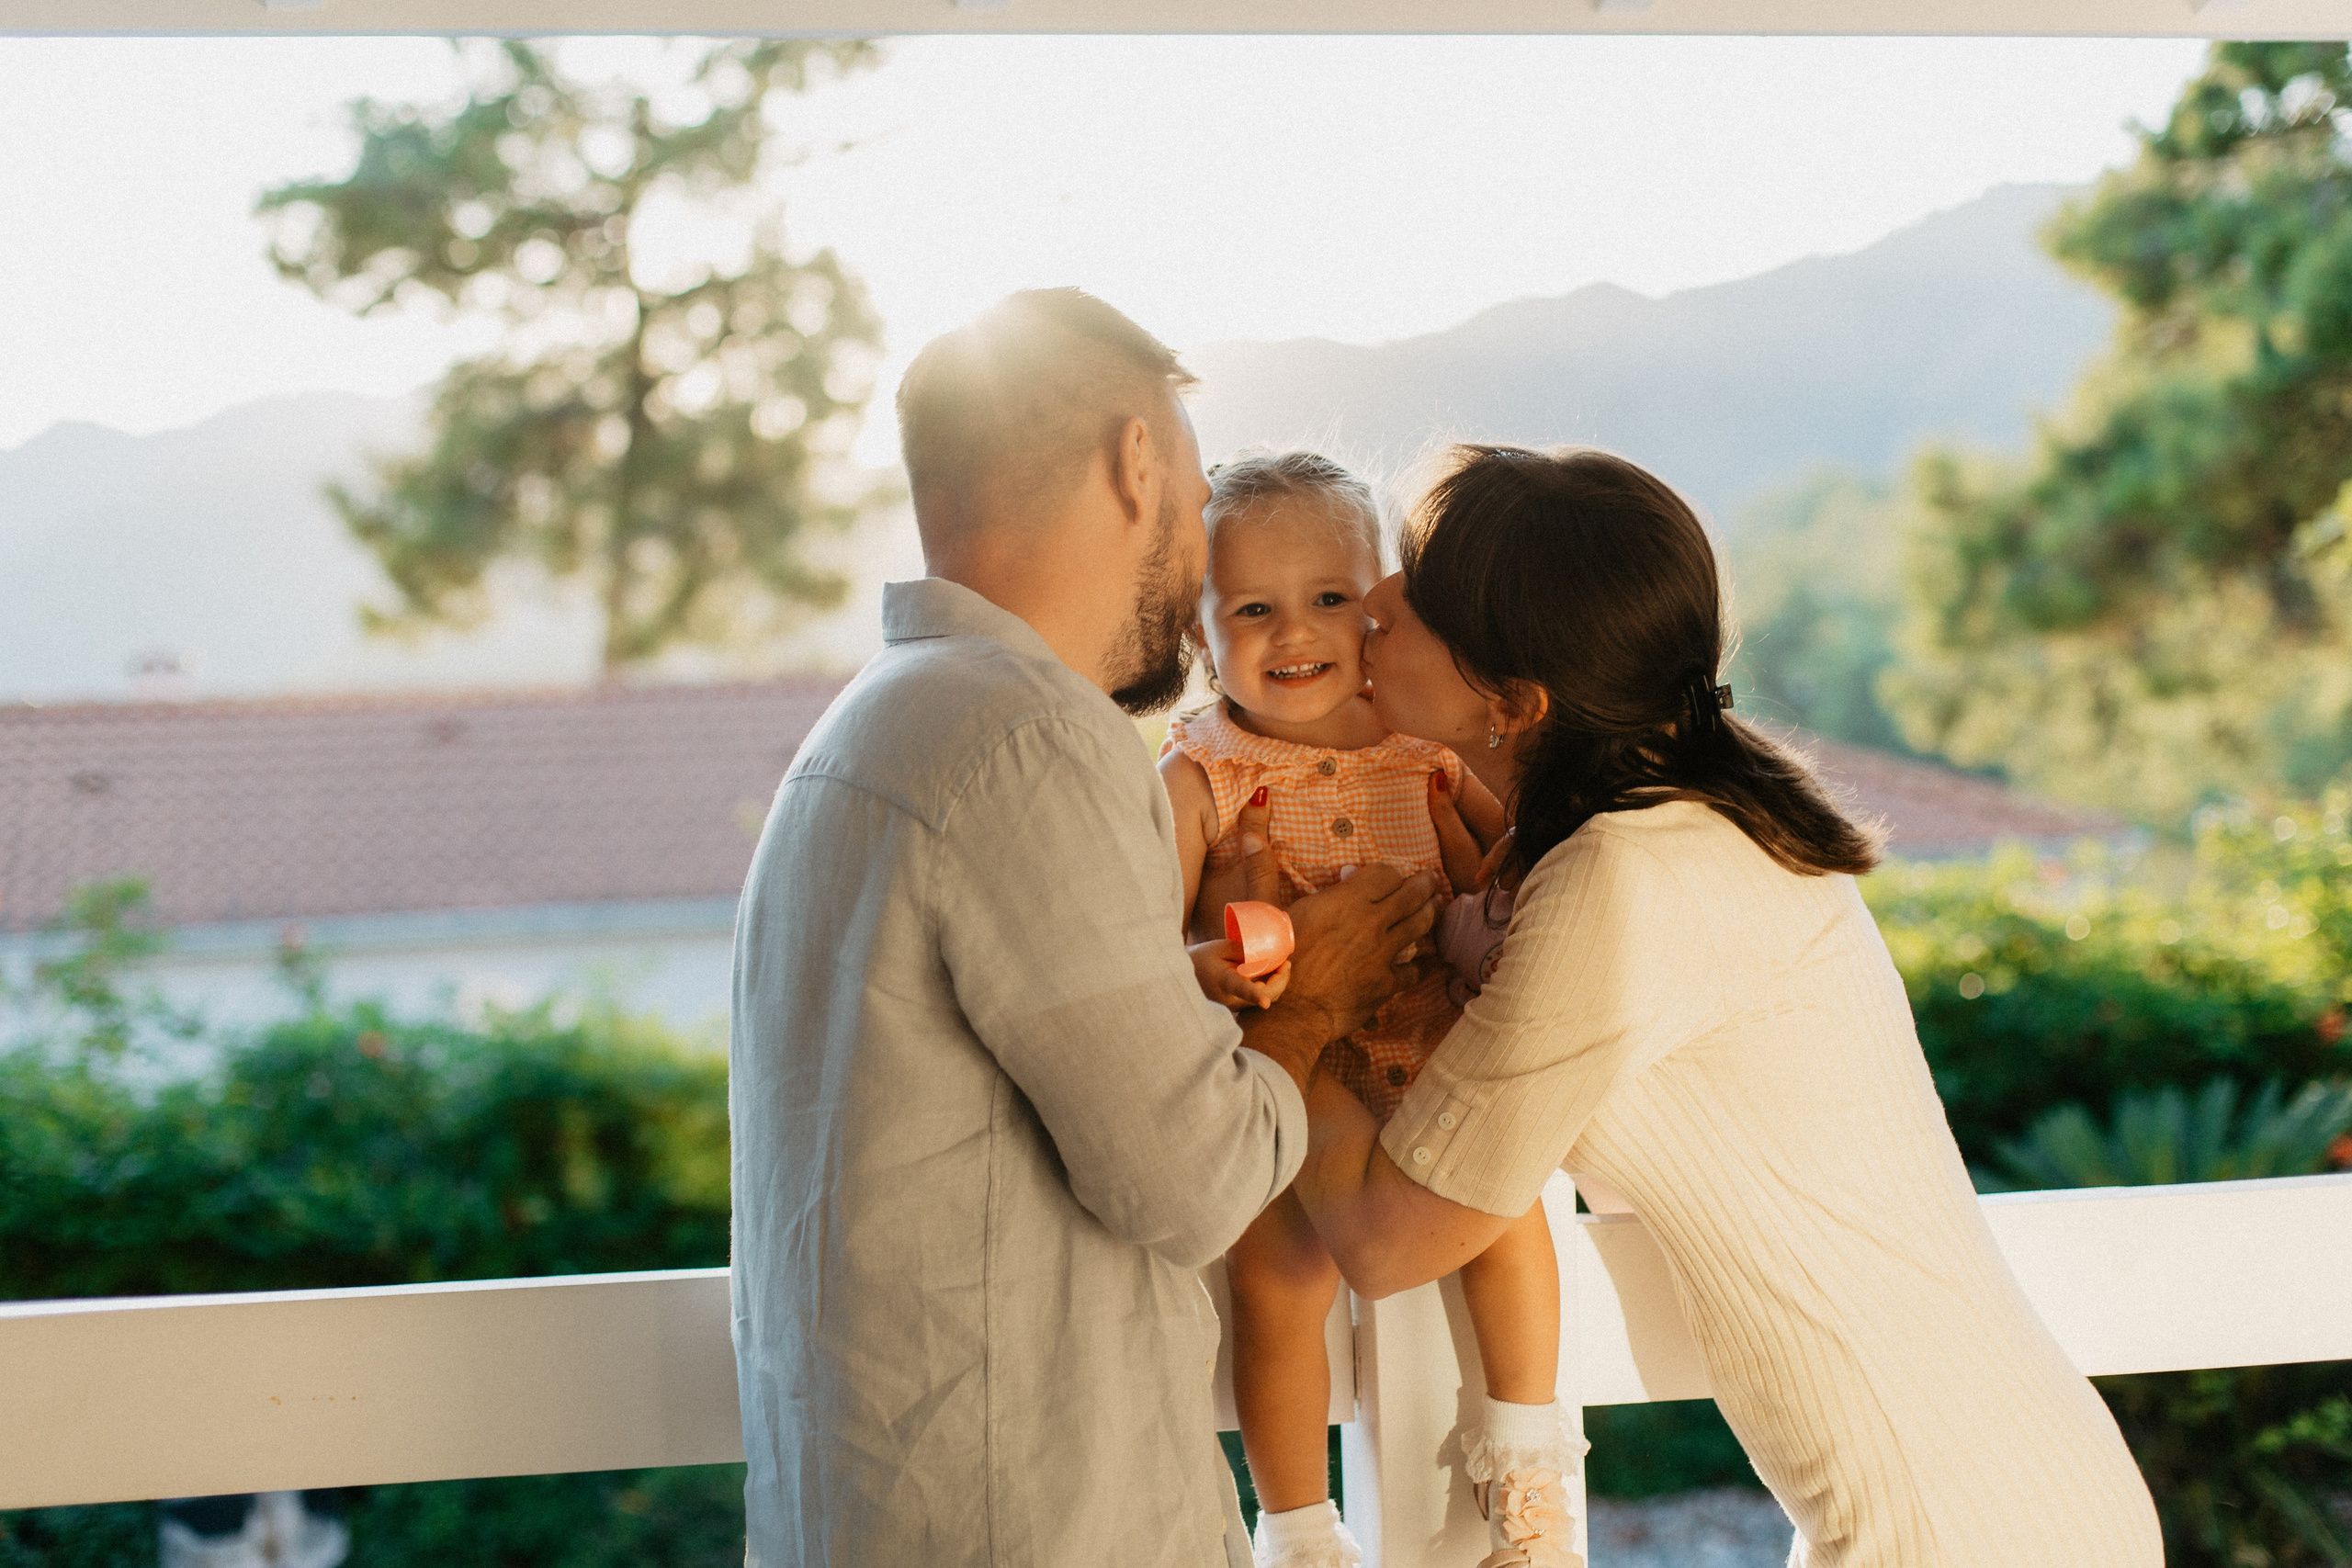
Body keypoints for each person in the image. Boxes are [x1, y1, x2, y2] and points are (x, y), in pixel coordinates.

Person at [1293, 445, 2164, 1567]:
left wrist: (1298, 1018)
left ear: (1514, 699)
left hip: (1950, 1530)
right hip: (1999, 1497)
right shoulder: (1700, 815)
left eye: (1413, 589)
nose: (1370, 602)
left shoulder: (1626, 878)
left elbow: (1384, 1238)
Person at [727, 289, 1442, 1568]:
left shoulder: (862, 736)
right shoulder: (1030, 738)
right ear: (1136, 461)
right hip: (1041, 1522)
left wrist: (1200, 994)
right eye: (1189, 480)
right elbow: (1195, 1181)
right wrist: (1316, 995)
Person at [1158, 452, 1577, 1568]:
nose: (1294, 633)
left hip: (1440, 1046)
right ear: (1201, 635)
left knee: (1504, 1214)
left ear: (1381, 610)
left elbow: (1518, 858)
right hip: (1297, 1074)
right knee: (1278, 1277)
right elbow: (1146, 945)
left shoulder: (1423, 746)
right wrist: (1213, 961)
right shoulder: (1199, 775)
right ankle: (1299, 1530)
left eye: (1330, 599)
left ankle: (1528, 1481)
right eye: (1252, 608)